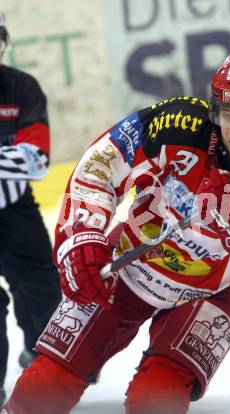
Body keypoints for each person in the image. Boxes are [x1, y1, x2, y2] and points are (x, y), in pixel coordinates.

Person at [3, 50, 230, 414]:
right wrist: (83, 232)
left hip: (214, 292)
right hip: (129, 265)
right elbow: (102, 162)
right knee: (41, 389)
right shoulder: (178, 122)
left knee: (155, 398)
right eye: (227, 114)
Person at [0, 11, 62, 408]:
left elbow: (37, 160)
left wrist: (18, 158)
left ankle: (43, 365)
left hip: (15, 209)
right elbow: (21, 156)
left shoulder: (21, 87)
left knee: (45, 293)